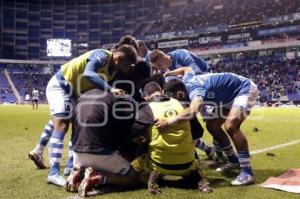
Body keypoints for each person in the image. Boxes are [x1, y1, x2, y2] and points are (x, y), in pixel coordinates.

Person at [28, 45, 138, 186]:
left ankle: (69, 166)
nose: (128, 69)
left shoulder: (112, 71)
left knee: (71, 122)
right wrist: (111, 89)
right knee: (62, 125)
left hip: (74, 92)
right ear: (120, 58)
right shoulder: (102, 56)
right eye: (128, 65)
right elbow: (88, 74)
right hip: (62, 85)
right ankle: (53, 173)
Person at [155, 67, 259, 186]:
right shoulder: (187, 81)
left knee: (231, 126)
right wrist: (170, 72)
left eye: (176, 98)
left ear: (181, 93)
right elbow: (187, 69)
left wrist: (168, 122)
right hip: (228, 96)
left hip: (244, 89)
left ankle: (247, 172)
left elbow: (193, 110)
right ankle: (233, 160)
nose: (176, 102)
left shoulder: (195, 90)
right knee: (212, 125)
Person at [131, 82, 212, 194]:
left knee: (137, 153)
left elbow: (133, 131)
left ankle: (153, 177)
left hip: (160, 163)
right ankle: (197, 176)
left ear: (146, 97)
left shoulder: (146, 109)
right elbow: (198, 133)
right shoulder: (182, 105)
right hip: (187, 162)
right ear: (162, 92)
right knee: (192, 162)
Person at [66, 89, 140, 197]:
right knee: (135, 178)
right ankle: (99, 178)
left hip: (77, 154)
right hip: (100, 154)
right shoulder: (116, 102)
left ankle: (79, 173)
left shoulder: (84, 96)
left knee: (95, 159)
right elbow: (121, 138)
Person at [164, 79, 216, 159]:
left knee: (188, 139)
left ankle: (201, 155)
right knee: (190, 139)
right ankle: (208, 150)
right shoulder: (183, 97)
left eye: (172, 97)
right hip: (192, 129)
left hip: (193, 128)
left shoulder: (189, 98)